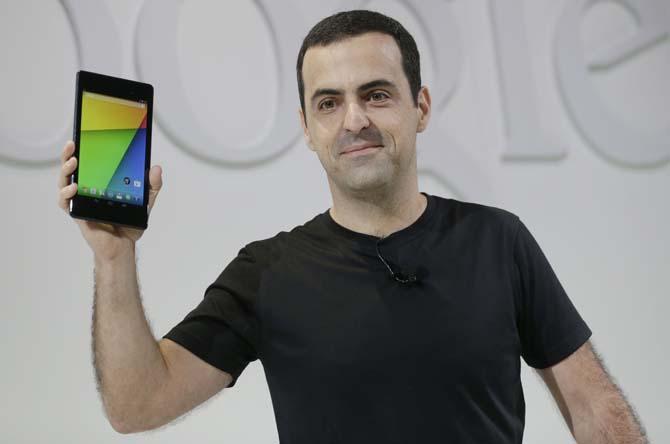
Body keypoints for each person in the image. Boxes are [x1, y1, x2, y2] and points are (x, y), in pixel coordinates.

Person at [57, 9, 648, 443]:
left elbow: (594, 408)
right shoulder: (267, 273)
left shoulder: (499, 241)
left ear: (420, 107)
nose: (354, 119)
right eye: (329, 102)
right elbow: (136, 405)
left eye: (377, 93)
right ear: (307, 127)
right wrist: (114, 258)